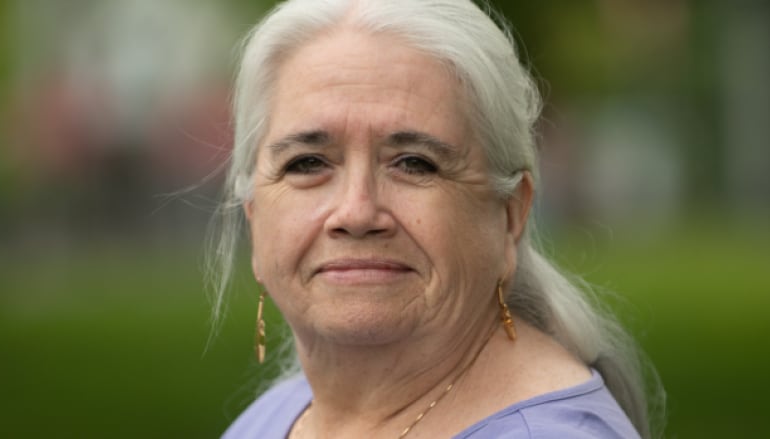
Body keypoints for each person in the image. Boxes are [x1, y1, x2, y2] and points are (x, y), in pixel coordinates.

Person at [210, 0, 664, 437]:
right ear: (254, 216)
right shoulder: (277, 418)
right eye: (307, 164)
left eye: (414, 163)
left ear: (510, 215)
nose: (356, 212)